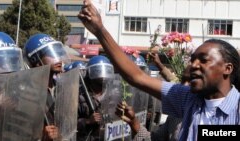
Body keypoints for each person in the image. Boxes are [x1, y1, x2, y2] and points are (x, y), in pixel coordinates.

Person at [78, 1, 240, 141]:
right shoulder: (187, 99)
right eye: (193, 60)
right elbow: (137, 76)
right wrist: (100, 31)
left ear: (227, 68)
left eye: (203, 60)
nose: (194, 65)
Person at [24, 33, 70, 141]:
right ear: (36, 60)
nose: (58, 59)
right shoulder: (27, 92)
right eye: (50, 54)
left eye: (57, 53)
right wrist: (42, 136)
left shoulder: (59, 87)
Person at [77, 55, 114, 141]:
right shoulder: (79, 95)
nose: (103, 76)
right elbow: (69, 124)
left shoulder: (112, 93)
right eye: (98, 71)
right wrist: (87, 121)